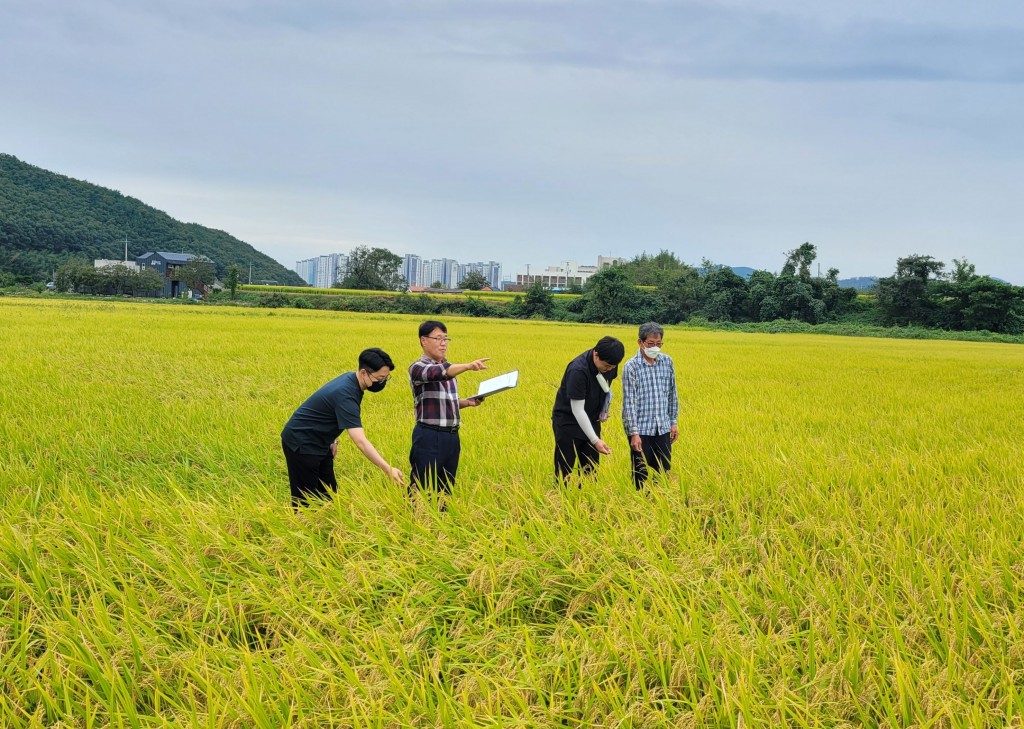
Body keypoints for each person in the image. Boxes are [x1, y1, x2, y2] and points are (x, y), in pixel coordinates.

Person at [281, 347, 404, 509]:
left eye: (386, 378)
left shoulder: (352, 380)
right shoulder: (346, 394)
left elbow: (328, 411)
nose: (382, 383)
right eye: (379, 378)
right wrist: (387, 469)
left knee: (329, 494)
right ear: (363, 373)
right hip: (302, 443)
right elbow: (360, 441)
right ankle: (300, 529)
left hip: (321, 442)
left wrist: (333, 439)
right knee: (305, 501)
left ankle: (325, 526)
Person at [408, 320, 489, 494]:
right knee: (421, 487)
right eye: (438, 338)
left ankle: (442, 518)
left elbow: (446, 400)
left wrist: (466, 402)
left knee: (446, 489)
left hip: (451, 437)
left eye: (446, 339)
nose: (443, 343)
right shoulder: (418, 368)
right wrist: (468, 366)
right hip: (429, 436)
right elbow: (438, 373)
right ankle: (413, 519)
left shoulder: (449, 369)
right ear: (423, 340)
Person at [551, 336, 625, 483]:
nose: (609, 370)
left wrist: (603, 408)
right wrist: (595, 440)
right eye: (607, 366)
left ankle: (586, 501)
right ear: (596, 355)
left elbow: (605, 388)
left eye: (612, 367)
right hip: (568, 422)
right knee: (564, 469)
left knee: (590, 470)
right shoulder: (578, 370)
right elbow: (577, 410)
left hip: (591, 419)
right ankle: (560, 499)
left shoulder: (610, 362)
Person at [621, 322, 679, 489]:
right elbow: (629, 402)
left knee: (664, 471)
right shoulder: (631, 367)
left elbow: (671, 393)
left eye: (658, 344)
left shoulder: (667, 362)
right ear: (640, 342)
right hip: (641, 430)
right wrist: (633, 433)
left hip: (663, 426)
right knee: (641, 474)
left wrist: (673, 422)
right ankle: (640, 503)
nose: (655, 347)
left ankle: (660, 502)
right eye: (651, 344)